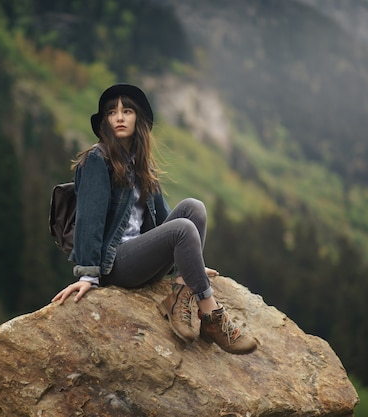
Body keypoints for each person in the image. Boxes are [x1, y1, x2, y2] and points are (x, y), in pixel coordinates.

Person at [52, 84, 257, 355]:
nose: (120, 117)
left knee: (193, 208)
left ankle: (181, 295)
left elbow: (163, 219)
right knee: (183, 229)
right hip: (115, 265)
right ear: (105, 121)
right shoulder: (97, 159)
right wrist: (88, 274)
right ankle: (211, 315)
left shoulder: (140, 163)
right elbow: (90, 219)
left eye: (127, 111)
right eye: (112, 112)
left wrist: (190, 262)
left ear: (139, 119)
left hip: (140, 257)